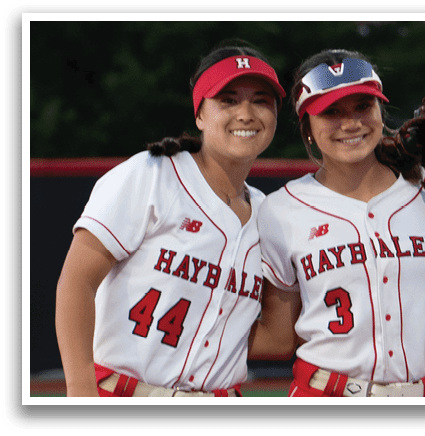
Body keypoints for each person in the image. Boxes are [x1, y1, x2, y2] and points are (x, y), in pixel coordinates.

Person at [54, 45, 285, 397]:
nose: (246, 113)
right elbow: (76, 283)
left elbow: (274, 337)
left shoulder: (270, 216)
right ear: (200, 115)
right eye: (227, 100)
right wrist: (80, 391)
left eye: (261, 100)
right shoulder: (152, 175)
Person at [250, 49, 425, 397]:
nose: (350, 123)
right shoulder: (281, 209)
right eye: (331, 112)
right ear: (307, 127)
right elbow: (279, 333)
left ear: (380, 111)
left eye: (363, 106)